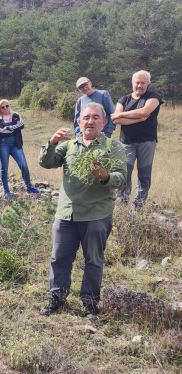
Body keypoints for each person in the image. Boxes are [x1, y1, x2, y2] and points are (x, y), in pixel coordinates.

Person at [39, 103, 126, 318]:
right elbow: (46, 162)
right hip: (66, 214)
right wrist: (52, 142)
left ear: (104, 122)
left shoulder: (113, 148)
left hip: (96, 215)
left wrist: (105, 176)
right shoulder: (68, 146)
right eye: (86, 117)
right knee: (59, 258)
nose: (90, 121)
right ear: (79, 122)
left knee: (93, 261)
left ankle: (89, 303)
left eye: (96, 117)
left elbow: (121, 178)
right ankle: (57, 299)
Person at [111, 70, 163, 207]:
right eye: (137, 82)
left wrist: (123, 115)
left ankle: (139, 205)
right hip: (126, 143)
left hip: (147, 142)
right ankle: (122, 202)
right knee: (124, 173)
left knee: (144, 175)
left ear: (148, 83)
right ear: (132, 83)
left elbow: (145, 112)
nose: (140, 85)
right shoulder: (124, 99)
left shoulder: (154, 97)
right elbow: (116, 120)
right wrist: (140, 117)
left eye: (143, 83)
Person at [0, 100, 40, 199]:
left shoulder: (16, 115)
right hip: (3, 145)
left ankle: (29, 187)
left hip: (16, 144)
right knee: (4, 169)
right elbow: (1, 131)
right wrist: (14, 128)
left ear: (9, 106)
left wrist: (8, 127)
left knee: (23, 165)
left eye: (6, 106)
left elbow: (21, 124)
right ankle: (6, 192)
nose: (5, 108)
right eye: (2, 107)